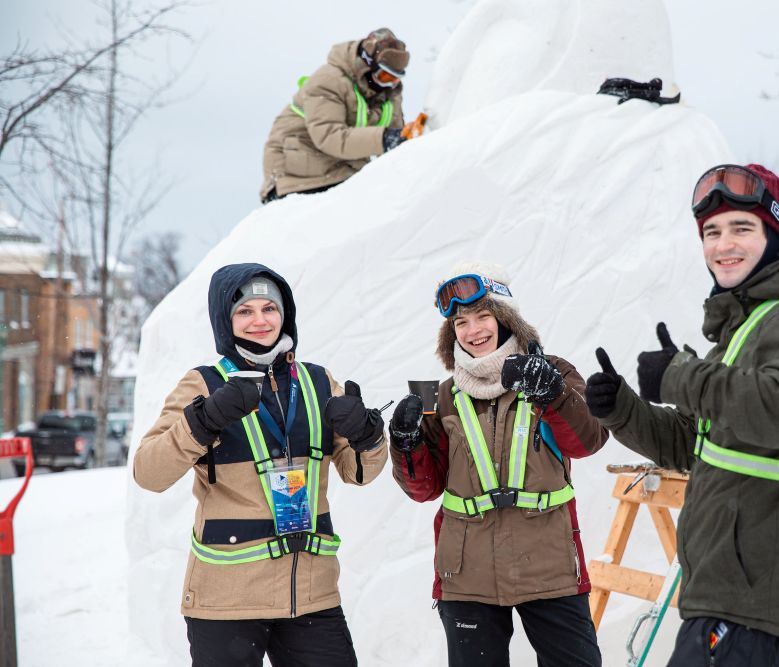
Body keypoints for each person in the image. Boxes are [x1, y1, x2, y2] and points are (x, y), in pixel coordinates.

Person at [585, 164, 779, 666]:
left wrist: (680, 376)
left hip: (759, 609)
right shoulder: (745, 329)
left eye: (742, 229)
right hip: (732, 600)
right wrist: (623, 410)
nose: (724, 243)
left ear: (774, 237)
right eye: (712, 232)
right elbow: (695, 444)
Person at [133, 263, 388, 667]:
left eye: (269, 308)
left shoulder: (319, 382)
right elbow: (148, 473)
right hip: (225, 601)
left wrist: (368, 435)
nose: (259, 320)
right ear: (226, 320)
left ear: (285, 313)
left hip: (310, 595)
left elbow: (362, 472)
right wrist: (203, 421)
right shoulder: (203, 384)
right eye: (244, 311)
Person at [388, 262, 608, 667]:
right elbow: (424, 488)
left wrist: (554, 396)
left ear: (506, 321)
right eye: (460, 322)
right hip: (467, 574)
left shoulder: (553, 373)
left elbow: (588, 441)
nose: (473, 331)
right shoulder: (444, 396)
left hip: (549, 567)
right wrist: (405, 444)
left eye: (483, 316)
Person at [259, 28, 419, 203]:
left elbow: (393, 137)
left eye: (395, 78)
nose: (390, 84)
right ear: (367, 65)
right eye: (385, 76)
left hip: (340, 168)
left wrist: (406, 140)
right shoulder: (329, 81)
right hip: (298, 173)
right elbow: (329, 136)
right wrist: (384, 139)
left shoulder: (389, 93)